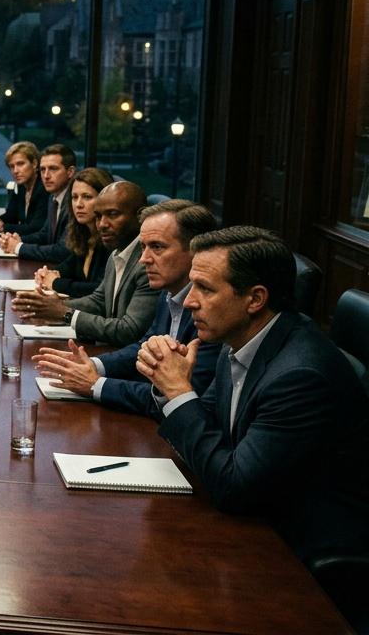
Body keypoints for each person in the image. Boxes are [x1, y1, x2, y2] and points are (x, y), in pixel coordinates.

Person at [140, 226, 369, 562]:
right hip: (252, 520)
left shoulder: (299, 376)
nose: (188, 301)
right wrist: (168, 385)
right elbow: (209, 424)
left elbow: (234, 488)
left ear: (255, 299)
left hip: (296, 553)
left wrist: (177, 390)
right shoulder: (240, 338)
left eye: (205, 288)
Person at [33, 199, 221, 416]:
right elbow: (143, 348)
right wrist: (93, 365)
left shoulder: (212, 311)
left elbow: (182, 396)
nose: (143, 259)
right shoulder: (169, 291)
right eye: (143, 247)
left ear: (196, 251)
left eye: (157, 247)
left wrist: (96, 384)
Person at [13, 180, 157, 346]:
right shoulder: (117, 253)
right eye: (98, 216)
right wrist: (50, 308)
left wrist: (65, 313)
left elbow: (129, 330)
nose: (102, 224)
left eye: (112, 214)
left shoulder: (148, 262)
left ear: (140, 217)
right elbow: (99, 300)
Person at [34, 167, 113, 297]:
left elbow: (100, 290)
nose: (78, 204)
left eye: (87, 197)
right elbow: (68, 266)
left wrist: (56, 283)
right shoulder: (85, 234)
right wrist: (47, 274)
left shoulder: (110, 239)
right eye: (74, 197)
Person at [0, 143, 76, 263]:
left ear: (70, 172)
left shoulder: (75, 201)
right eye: (43, 169)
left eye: (53, 169)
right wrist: (18, 240)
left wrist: (19, 247)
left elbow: (62, 251)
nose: (46, 176)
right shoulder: (53, 197)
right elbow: (45, 234)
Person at [0, 141, 47, 235]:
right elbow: (11, 216)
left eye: (20, 164)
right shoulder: (21, 186)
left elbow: (35, 228)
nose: (15, 171)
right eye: (11, 166)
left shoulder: (44, 188)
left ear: (34, 164)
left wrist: (2, 227)